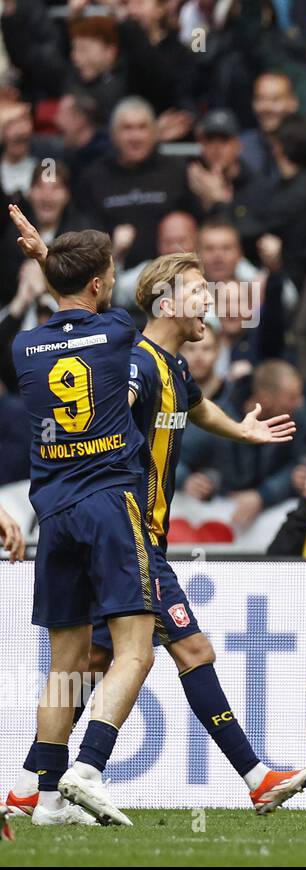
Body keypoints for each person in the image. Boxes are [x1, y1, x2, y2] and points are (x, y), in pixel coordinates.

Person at [6, 251, 306, 821]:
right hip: (126, 535)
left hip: (117, 533)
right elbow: (108, 404)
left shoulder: (172, 367)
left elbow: (197, 411)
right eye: (199, 289)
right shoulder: (136, 364)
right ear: (166, 303)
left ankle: (32, 786)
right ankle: (98, 770)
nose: (211, 300)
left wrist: (243, 432)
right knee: (186, 650)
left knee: (86, 664)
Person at [6, 208, 154, 826]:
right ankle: (88, 768)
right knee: (135, 652)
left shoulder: (24, 345)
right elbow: (93, 316)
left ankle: (43, 800)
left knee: (63, 666)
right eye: (112, 272)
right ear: (99, 284)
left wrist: (48, 262)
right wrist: (50, 262)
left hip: (52, 514)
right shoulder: (119, 331)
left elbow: (68, 310)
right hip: (109, 507)